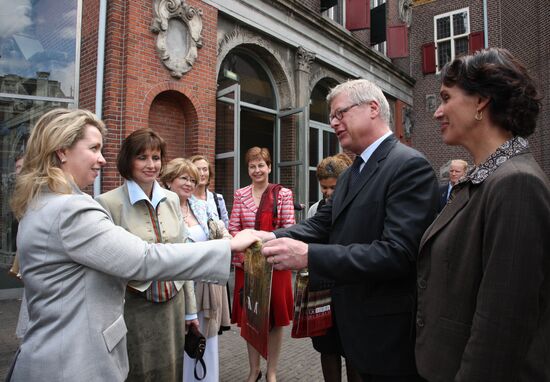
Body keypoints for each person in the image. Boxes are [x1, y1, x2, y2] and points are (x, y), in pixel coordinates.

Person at [7, 108, 257, 382]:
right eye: (93, 148)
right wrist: (228, 247)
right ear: (62, 151)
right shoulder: (72, 209)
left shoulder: (42, 202)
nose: (101, 159)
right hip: (73, 361)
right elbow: (144, 259)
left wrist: (189, 310)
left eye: (156, 157)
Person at [258, 79, 439, 381]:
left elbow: (397, 254)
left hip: (388, 339)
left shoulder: (408, 166)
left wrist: (310, 256)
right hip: (356, 331)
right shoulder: (353, 170)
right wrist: (270, 236)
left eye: (340, 114)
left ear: (372, 109)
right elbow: (322, 222)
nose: (332, 123)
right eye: (331, 116)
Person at [416, 48, 550, 381]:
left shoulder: (516, 183)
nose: (438, 112)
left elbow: (502, 325)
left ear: (481, 102)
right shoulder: (488, 178)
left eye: (446, 98)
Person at [95, 129, 198, 381]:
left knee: (172, 372)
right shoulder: (107, 203)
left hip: (174, 305)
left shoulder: (172, 199)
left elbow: (183, 257)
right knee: (137, 372)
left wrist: (191, 311)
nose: (151, 165)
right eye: (142, 157)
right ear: (128, 160)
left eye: (156, 157)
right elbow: (107, 265)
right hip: (133, 308)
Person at [160, 158, 231, 382]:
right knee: (181, 341)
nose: (190, 183)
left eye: (193, 179)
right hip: (178, 287)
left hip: (205, 285)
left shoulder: (200, 206)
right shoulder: (161, 209)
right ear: (169, 181)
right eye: (184, 178)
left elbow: (221, 231)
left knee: (205, 341)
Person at [228, 146, 295, 382]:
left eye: (261, 165)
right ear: (248, 169)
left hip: (275, 265)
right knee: (250, 318)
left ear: (268, 167)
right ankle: (253, 369)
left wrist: (261, 247)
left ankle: (272, 371)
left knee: (276, 320)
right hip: (247, 266)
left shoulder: (283, 194)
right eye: (252, 165)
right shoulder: (240, 194)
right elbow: (233, 229)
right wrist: (250, 255)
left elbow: (288, 228)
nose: (257, 170)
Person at [308, 153, 361, 382]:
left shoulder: (357, 208)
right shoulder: (315, 210)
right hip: (322, 291)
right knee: (326, 347)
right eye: (324, 188)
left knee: (353, 350)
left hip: (349, 289)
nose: (328, 193)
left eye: (333, 187)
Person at [190, 154, 229, 228]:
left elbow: (226, 228)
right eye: (197, 170)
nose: (202, 173)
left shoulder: (218, 199)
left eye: (205, 169)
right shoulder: (185, 200)